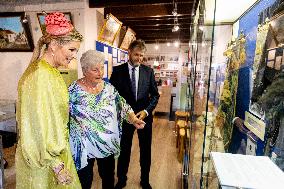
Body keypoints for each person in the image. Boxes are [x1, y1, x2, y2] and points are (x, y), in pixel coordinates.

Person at [16, 12, 83, 189]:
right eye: (71, 49)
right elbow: (38, 125)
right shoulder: (41, 75)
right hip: (46, 162)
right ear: (53, 45)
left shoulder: (50, 71)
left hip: (54, 155)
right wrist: (57, 165)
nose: (74, 55)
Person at [68, 50, 146, 189]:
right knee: (84, 181)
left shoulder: (109, 88)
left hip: (106, 144)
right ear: (85, 70)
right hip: (83, 146)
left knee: (108, 178)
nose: (100, 73)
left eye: (102, 68)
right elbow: (62, 116)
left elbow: (122, 105)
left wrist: (133, 119)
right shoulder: (72, 91)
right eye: (95, 69)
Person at [110, 40, 160, 189]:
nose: (139, 58)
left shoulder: (148, 71)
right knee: (124, 150)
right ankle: (122, 179)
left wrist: (146, 111)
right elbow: (112, 95)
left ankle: (145, 180)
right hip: (125, 119)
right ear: (129, 53)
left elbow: (155, 95)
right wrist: (124, 113)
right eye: (136, 54)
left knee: (146, 150)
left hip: (144, 118)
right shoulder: (118, 71)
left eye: (142, 56)